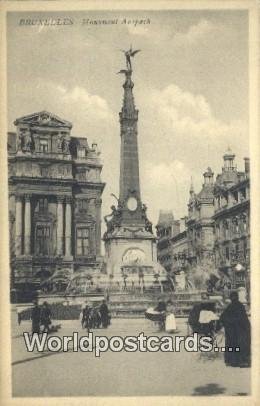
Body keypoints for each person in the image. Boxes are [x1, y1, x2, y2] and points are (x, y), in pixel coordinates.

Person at [217, 291, 251, 367]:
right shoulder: (240, 306)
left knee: (233, 342)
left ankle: (233, 361)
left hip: (234, 332)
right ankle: (241, 361)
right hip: (240, 331)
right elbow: (245, 321)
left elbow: (222, 317)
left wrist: (221, 325)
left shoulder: (231, 306)